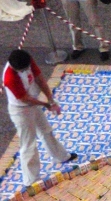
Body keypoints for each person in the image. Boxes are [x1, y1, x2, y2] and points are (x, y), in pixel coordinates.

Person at [3, 50, 77, 187]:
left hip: (33, 102)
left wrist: (51, 100)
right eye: (23, 70)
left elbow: (40, 79)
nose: (26, 71)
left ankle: (61, 156)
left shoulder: (27, 59)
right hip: (20, 110)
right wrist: (46, 105)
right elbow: (25, 99)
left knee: (46, 130)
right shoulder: (10, 78)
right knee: (28, 144)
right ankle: (31, 181)